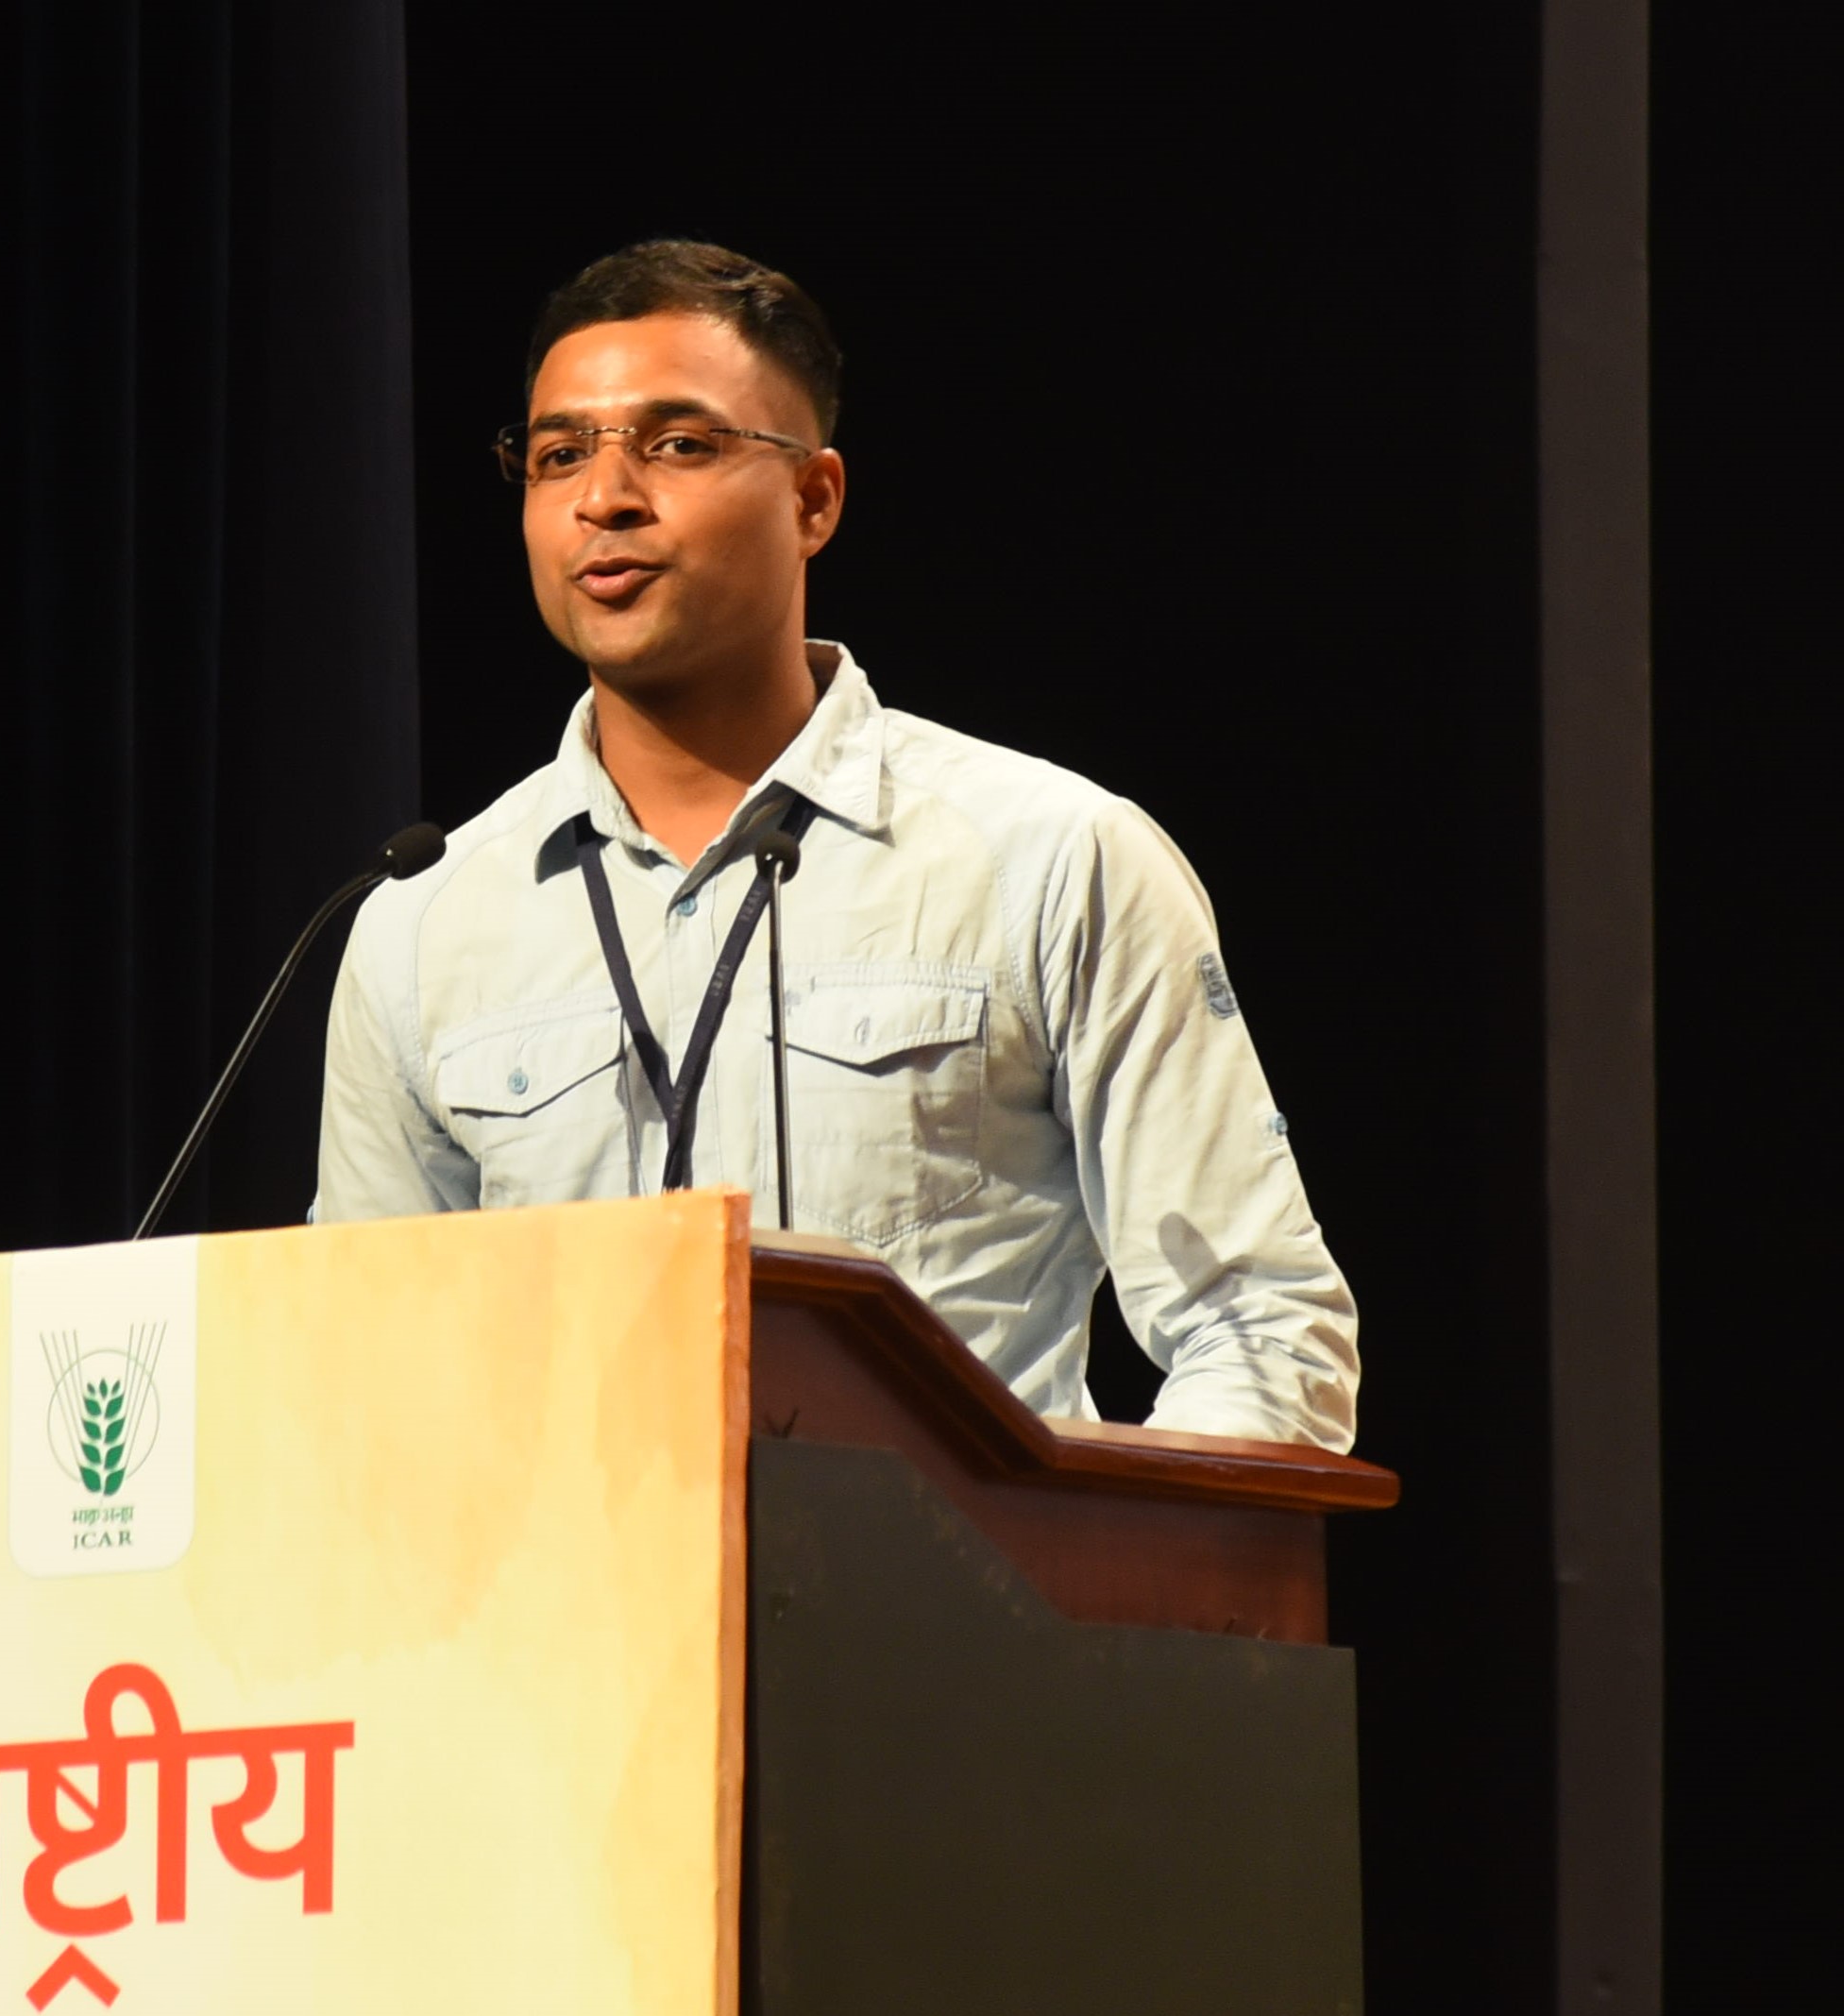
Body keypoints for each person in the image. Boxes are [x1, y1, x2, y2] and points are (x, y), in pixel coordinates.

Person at [314, 240, 1358, 1448]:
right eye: (559, 455)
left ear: (813, 500)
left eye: (678, 444)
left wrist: (1090, 1556)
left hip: (947, 1575)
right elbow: (363, 1374)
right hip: (565, 1575)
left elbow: (1260, 1328)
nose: (605, 497)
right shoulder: (422, 921)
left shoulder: (1051, 859)